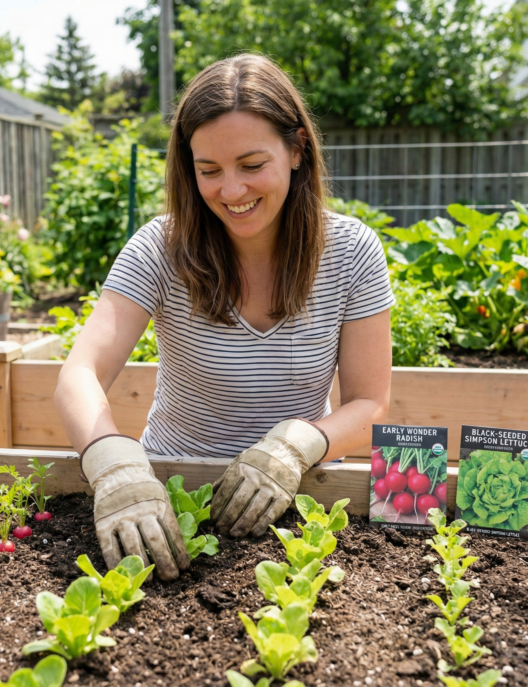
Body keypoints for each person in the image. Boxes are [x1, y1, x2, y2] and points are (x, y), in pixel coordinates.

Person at [55, 54, 393, 581]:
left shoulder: (351, 252)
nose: (231, 191)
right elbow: (81, 373)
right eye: (208, 171)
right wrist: (113, 465)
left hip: (302, 494)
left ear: (297, 150)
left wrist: (295, 445)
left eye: (252, 165)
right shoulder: (160, 249)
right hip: (168, 496)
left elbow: (370, 403)